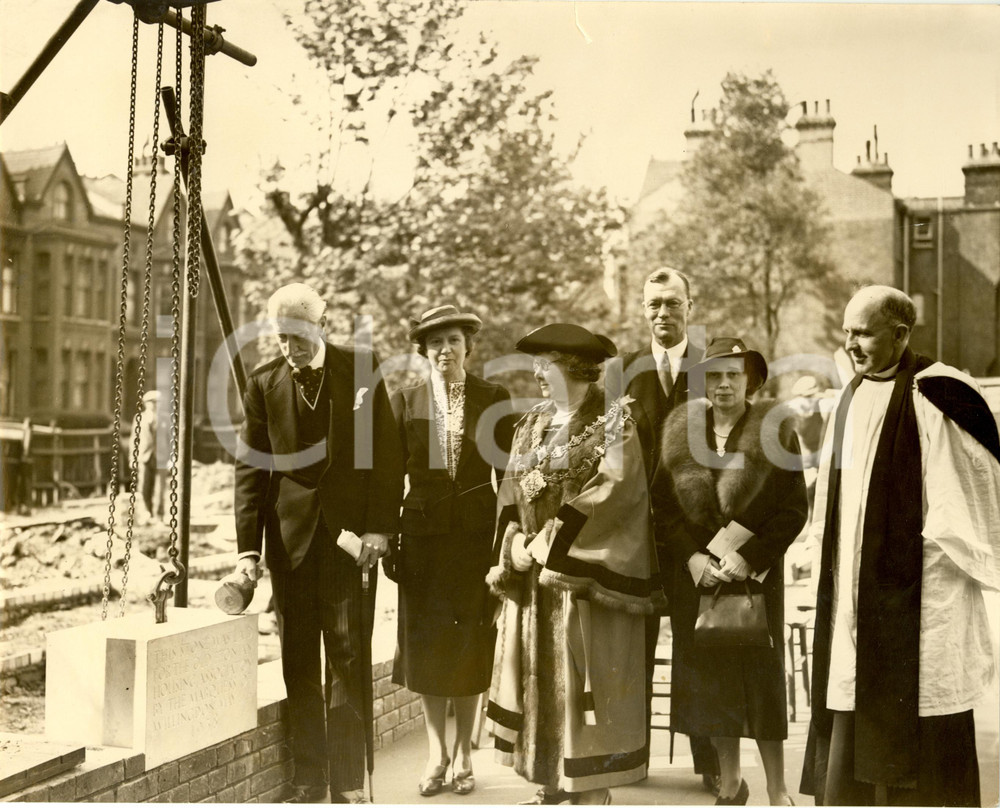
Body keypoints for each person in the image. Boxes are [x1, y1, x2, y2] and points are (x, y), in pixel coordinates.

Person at [799, 286, 1000, 806]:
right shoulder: (850, 396)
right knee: (853, 693)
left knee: (923, 713)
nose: (851, 345)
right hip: (857, 592)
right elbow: (832, 502)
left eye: (862, 332)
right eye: (846, 332)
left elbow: (973, 499)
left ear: (901, 334)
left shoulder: (941, 392)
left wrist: (911, 573)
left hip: (925, 598)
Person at [232, 283, 404, 804]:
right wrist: (248, 550)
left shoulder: (361, 368)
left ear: (323, 327)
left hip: (349, 544)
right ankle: (309, 781)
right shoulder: (263, 382)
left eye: (300, 336)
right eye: (282, 338)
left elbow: (387, 456)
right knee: (298, 663)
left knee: (350, 662)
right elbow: (250, 471)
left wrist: (380, 527)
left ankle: (348, 784)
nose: (291, 348)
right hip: (289, 545)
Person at [487, 323, 656, 806]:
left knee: (582, 679)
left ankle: (591, 788)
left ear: (577, 367)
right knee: (538, 675)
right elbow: (509, 492)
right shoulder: (531, 423)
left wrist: (547, 543)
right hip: (534, 580)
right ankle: (551, 780)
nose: (538, 372)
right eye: (538, 363)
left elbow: (616, 495)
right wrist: (514, 542)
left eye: (548, 363)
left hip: (580, 579)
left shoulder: (614, 422)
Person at [653, 336, 808, 806]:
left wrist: (752, 556)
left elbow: (793, 509)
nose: (723, 385)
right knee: (714, 685)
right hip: (701, 582)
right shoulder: (681, 432)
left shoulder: (776, 432)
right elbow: (663, 511)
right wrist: (693, 558)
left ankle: (777, 790)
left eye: (733, 375)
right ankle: (731, 783)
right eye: (714, 376)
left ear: (750, 381)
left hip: (755, 581)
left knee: (761, 683)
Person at [386, 305, 513, 797]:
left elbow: (512, 476)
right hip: (421, 544)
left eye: (453, 341)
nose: (444, 350)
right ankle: (436, 751)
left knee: (471, 646)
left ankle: (465, 753)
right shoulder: (405, 401)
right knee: (426, 650)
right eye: (435, 343)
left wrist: (510, 538)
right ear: (423, 351)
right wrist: (387, 536)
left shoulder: (493, 397)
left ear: (468, 347)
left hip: (477, 543)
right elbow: (387, 477)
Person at [617, 266, 719, 795]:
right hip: (634, 538)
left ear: (690, 307)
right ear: (642, 309)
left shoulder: (713, 369)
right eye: (653, 304)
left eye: (672, 303)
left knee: (695, 645)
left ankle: (710, 762)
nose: (663, 313)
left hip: (693, 538)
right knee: (630, 647)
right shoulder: (622, 373)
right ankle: (629, 759)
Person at [132, 389, 165, 523]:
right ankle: (147, 513)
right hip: (145, 456)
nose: (154, 405)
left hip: (161, 457)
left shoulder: (166, 418)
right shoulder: (140, 418)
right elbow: (134, 439)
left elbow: (172, 438)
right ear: (145, 404)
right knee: (144, 486)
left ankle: (159, 515)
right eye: (151, 402)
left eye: (157, 402)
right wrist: (132, 457)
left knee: (160, 488)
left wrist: (173, 457)